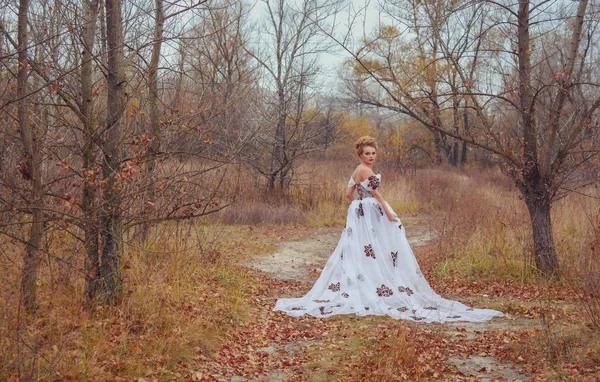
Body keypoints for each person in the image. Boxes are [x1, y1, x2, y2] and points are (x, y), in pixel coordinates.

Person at [273, 136, 503, 323]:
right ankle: (378, 281)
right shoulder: (366, 171)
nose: (371, 157)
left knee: (365, 248)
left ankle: (371, 278)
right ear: (360, 154)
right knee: (379, 245)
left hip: (359, 211)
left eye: (373, 153)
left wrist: (357, 205)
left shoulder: (357, 170)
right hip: (371, 210)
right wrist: (387, 211)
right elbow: (376, 194)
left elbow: (348, 194)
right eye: (367, 153)